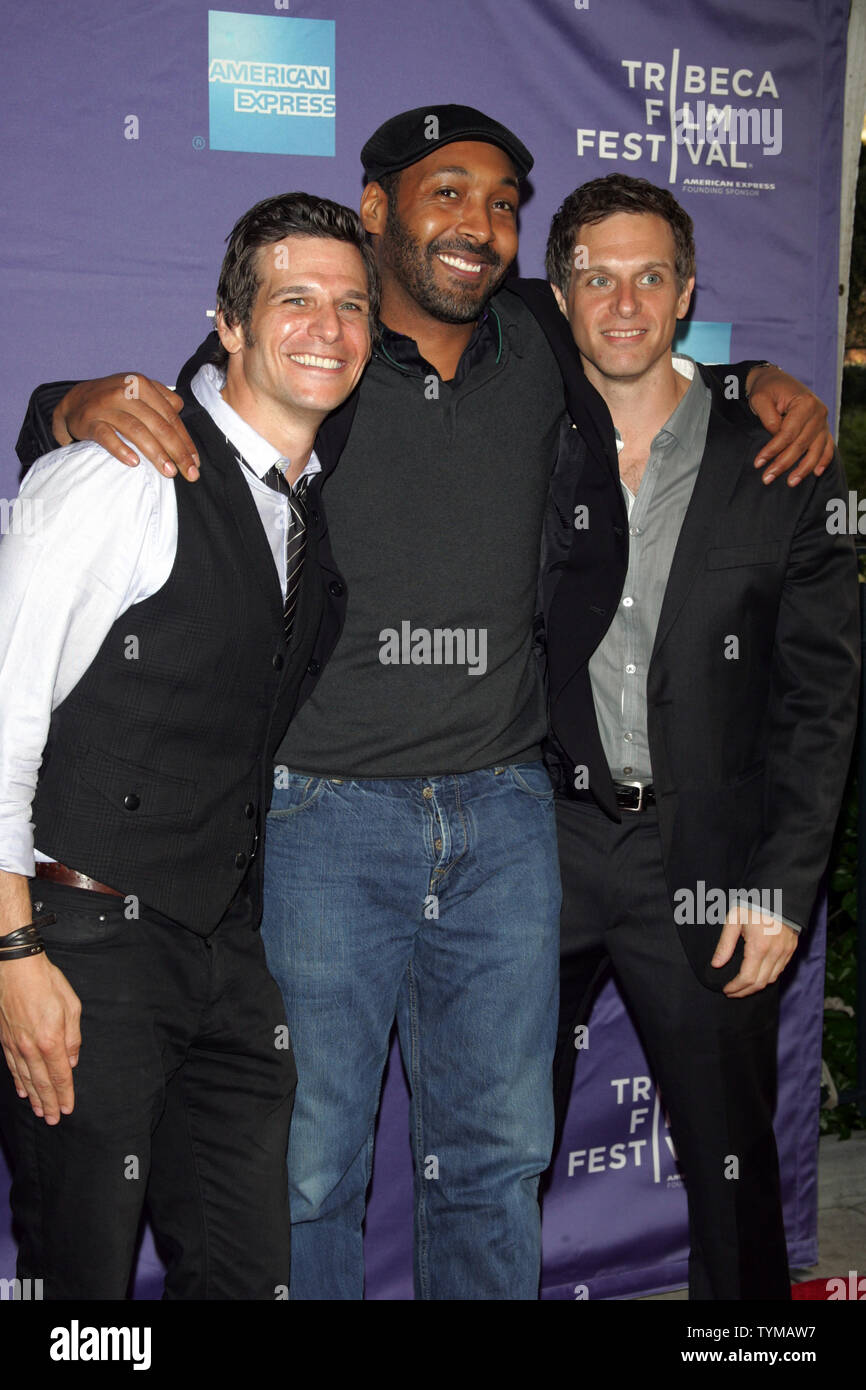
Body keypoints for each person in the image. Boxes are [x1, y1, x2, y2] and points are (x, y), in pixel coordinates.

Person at [14, 106, 834, 1301]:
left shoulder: (535, 335)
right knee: (307, 1170)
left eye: (502, 203)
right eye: (446, 193)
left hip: (505, 816)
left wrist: (764, 380)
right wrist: (62, 404)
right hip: (321, 823)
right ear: (376, 207)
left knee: (498, 1160)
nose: (477, 223)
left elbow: (645, 346)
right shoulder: (315, 361)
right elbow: (164, 412)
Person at [0, 192, 375, 1299]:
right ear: (228, 321)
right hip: (78, 942)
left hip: (223, 951)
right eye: (293, 299)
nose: (326, 327)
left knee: (244, 1267)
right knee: (86, 1284)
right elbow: (4, 715)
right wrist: (15, 956)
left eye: (349, 305)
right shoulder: (118, 471)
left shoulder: (304, 505)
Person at [527, 172, 858, 1299]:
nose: (623, 303)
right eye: (597, 278)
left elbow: (821, 697)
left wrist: (780, 887)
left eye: (649, 277)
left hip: (711, 859)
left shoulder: (778, 460)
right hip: (534, 849)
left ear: (684, 293)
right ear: (559, 295)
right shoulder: (513, 436)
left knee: (729, 1173)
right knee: (486, 1162)